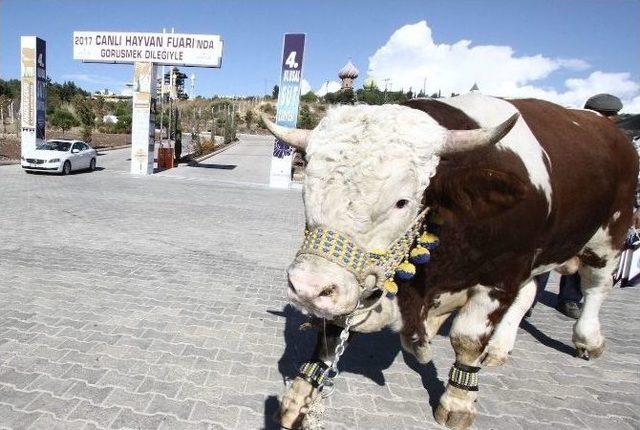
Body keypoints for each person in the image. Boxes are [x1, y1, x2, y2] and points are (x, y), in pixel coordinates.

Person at [527, 94, 624, 319]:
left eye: (609, 117)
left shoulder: (616, 142)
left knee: (584, 252)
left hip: (593, 208)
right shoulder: (569, 134)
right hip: (564, 204)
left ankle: (569, 298)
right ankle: (529, 300)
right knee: (543, 253)